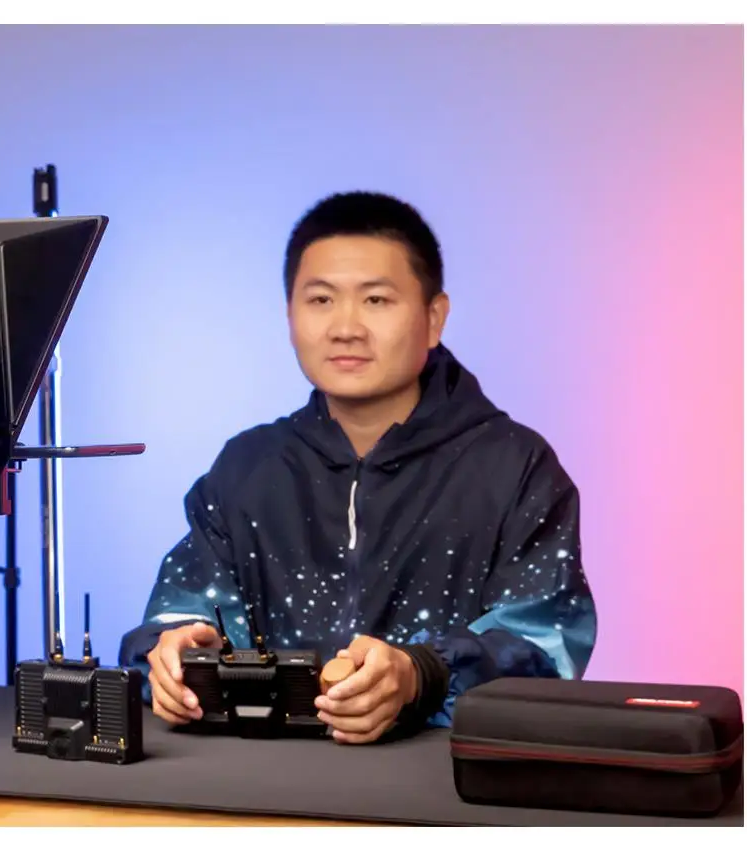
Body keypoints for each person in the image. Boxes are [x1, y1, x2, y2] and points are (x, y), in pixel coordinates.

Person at [118, 191, 597, 745]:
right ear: (290, 315)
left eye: (376, 300)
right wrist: (173, 656)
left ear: (434, 317)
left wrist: (422, 675)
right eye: (321, 300)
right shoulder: (246, 468)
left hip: (440, 781)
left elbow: (547, 644)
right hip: (261, 779)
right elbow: (182, 617)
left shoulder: (514, 466)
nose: (346, 327)